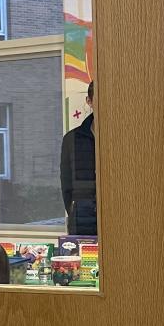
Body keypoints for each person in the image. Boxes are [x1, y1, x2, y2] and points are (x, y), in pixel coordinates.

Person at [60, 80, 97, 235]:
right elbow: (66, 183)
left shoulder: (122, 136)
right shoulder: (72, 138)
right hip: (82, 219)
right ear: (89, 101)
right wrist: (74, 210)